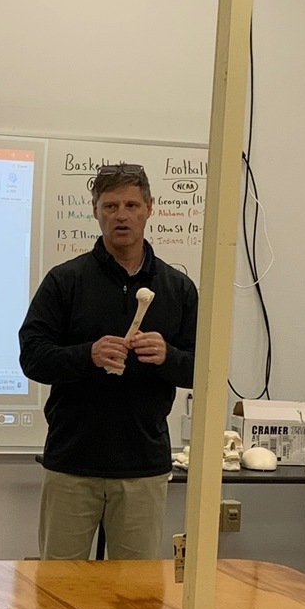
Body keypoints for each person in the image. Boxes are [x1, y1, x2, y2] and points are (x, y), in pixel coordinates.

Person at [19, 162, 198, 560]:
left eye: (131, 205)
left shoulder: (178, 288)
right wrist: (88, 354)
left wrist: (168, 357)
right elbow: (32, 357)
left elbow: (202, 370)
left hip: (142, 465)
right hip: (72, 461)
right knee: (60, 585)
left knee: (135, 589)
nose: (121, 215)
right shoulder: (65, 281)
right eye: (111, 206)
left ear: (149, 208)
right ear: (95, 210)